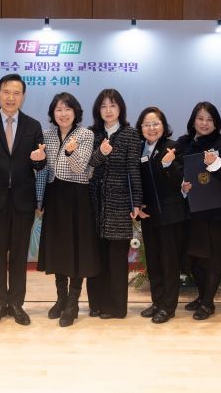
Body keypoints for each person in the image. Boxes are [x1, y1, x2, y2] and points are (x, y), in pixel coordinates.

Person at [0, 74, 46, 327]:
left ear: (23, 96)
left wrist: (39, 160)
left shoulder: (33, 125)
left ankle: (16, 304)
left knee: (19, 255)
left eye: (16, 93)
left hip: (23, 200)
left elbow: (40, 162)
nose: (11, 97)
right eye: (6, 92)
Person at [36, 92, 99, 327]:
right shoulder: (47, 135)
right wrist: (39, 198)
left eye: (67, 109)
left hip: (77, 196)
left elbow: (81, 167)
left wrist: (71, 152)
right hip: (55, 195)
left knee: (76, 250)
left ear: (75, 112)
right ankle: (61, 298)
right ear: (53, 113)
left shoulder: (85, 134)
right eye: (59, 109)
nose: (63, 114)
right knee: (58, 250)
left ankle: (73, 303)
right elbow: (43, 169)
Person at [175, 102, 221, 320]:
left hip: (216, 213)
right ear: (193, 120)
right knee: (193, 258)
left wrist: (216, 164)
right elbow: (174, 171)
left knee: (212, 259)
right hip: (191, 213)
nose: (204, 123)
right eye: (200, 118)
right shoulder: (183, 143)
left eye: (209, 119)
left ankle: (208, 303)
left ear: (216, 123)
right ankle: (202, 296)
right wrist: (181, 184)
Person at [87, 89, 143, 320]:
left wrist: (136, 201)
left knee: (117, 259)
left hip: (119, 204)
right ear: (97, 110)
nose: (108, 110)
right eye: (103, 106)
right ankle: (96, 304)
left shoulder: (131, 134)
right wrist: (101, 153)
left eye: (113, 105)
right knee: (96, 256)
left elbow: (134, 169)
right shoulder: (91, 133)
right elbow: (88, 164)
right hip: (94, 203)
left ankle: (116, 307)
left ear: (120, 108)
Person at [135, 107, 187, 324]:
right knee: (154, 261)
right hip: (149, 215)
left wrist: (167, 164)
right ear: (141, 128)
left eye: (155, 123)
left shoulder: (173, 147)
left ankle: (168, 306)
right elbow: (136, 181)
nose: (151, 128)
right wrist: (137, 205)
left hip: (170, 214)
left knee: (169, 262)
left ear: (163, 126)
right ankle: (157, 301)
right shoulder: (139, 149)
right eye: (147, 124)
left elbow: (179, 181)